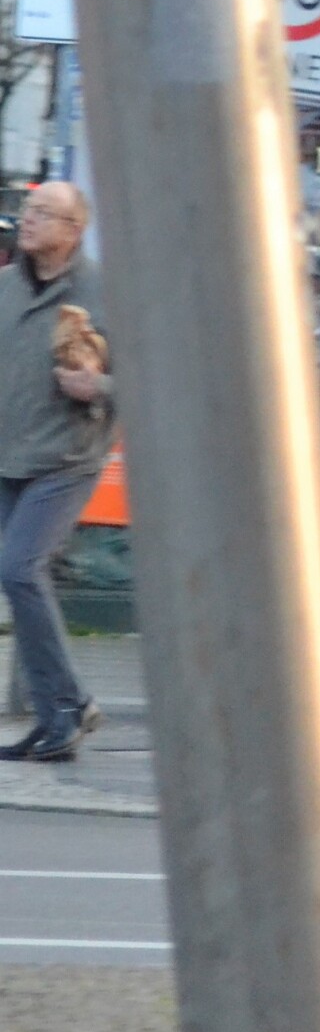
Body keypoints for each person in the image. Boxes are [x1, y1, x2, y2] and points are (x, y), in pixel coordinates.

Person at [0, 182, 112, 762]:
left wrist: (100, 385)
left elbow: (152, 374)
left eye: (45, 213)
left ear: (74, 229)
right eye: (28, 211)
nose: (28, 220)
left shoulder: (103, 292)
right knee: (15, 576)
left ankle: (66, 707)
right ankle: (60, 712)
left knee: (18, 568)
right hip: (8, 458)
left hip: (66, 458)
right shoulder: (7, 288)